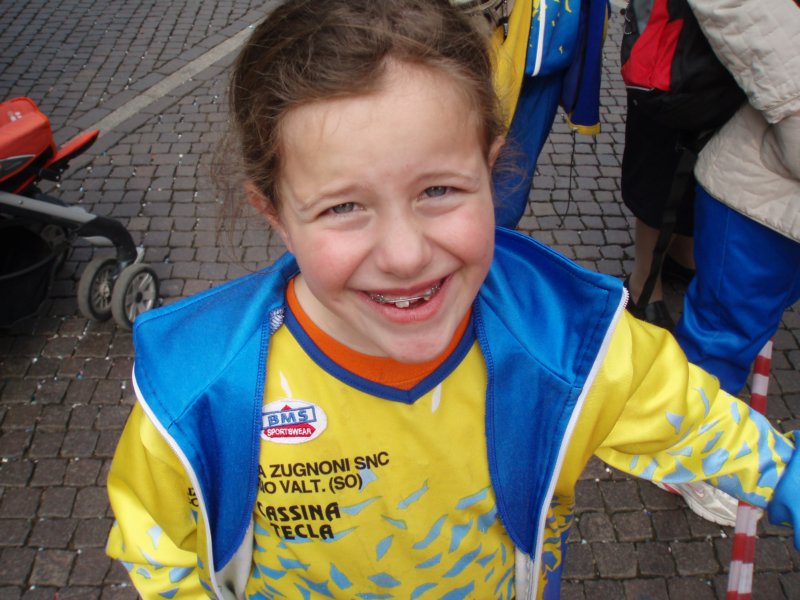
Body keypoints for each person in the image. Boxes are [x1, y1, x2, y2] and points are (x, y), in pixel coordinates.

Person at [105, 1, 800, 598]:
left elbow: (682, 410)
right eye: (344, 207)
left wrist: (781, 473)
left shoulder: (564, 340)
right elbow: (154, 536)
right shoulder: (207, 387)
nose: (406, 255)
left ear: (489, 170)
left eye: (438, 190)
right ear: (275, 214)